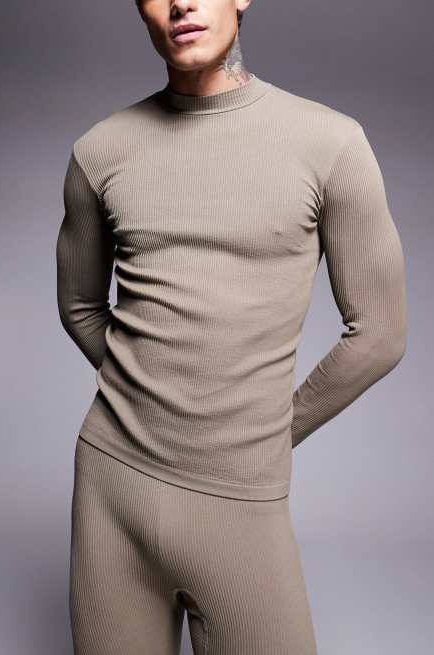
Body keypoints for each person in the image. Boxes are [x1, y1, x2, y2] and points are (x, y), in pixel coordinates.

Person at [56, 1, 407, 653]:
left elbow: (381, 333)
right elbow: (80, 305)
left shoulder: (329, 144)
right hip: (112, 490)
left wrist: (265, 432)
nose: (181, 3)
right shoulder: (100, 151)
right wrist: (148, 395)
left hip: (242, 505)